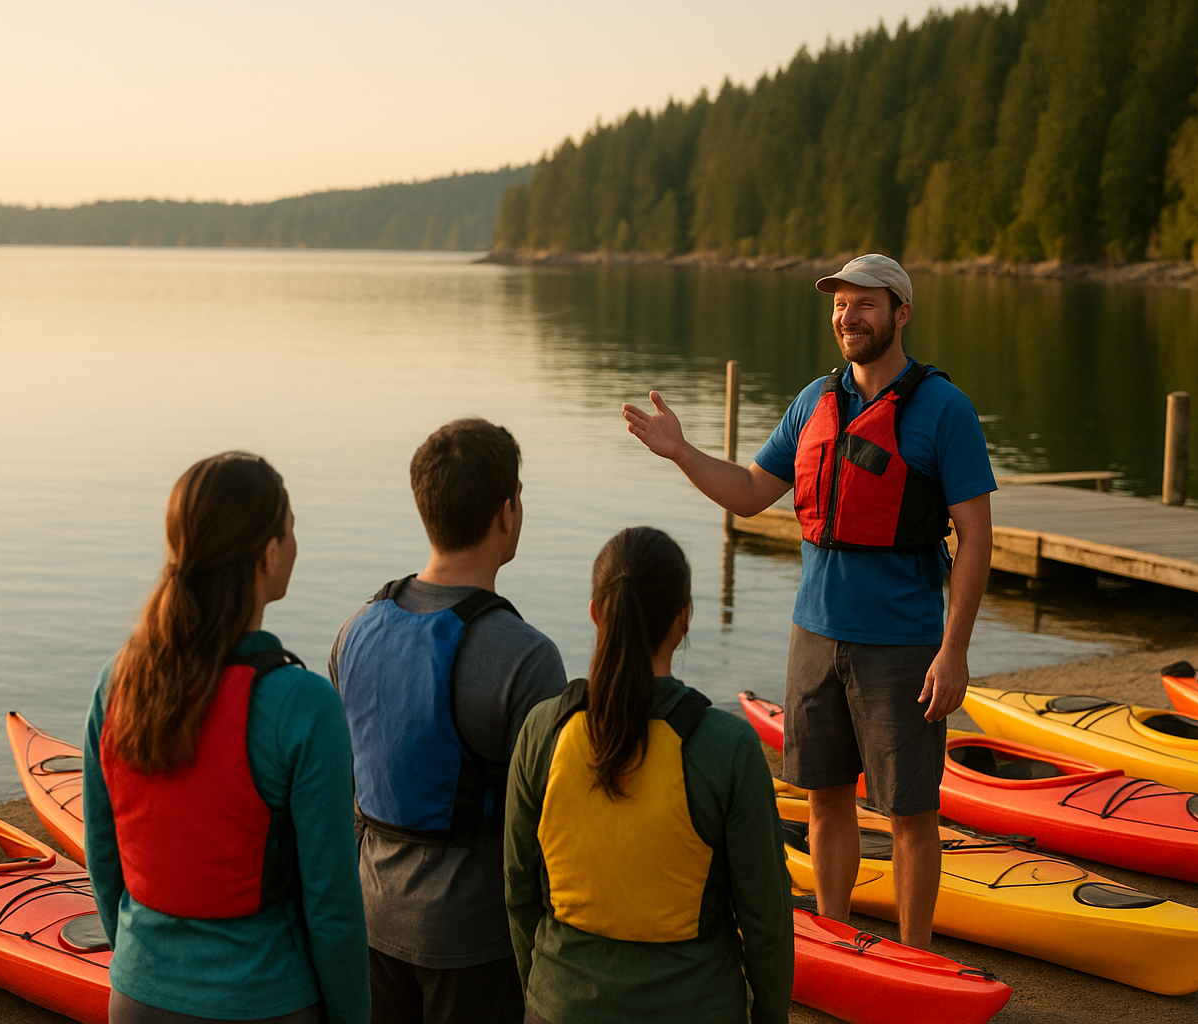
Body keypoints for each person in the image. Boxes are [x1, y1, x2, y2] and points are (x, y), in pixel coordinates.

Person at [622, 253, 995, 949]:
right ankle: (837, 939)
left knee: (910, 811)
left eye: (864, 305)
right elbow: (749, 493)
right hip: (814, 635)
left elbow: (976, 537)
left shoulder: (945, 410)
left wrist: (955, 650)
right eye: (839, 305)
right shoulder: (811, 402)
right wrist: (681, 451)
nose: (847, 317)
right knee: (826, 801)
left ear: (901, 313)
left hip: (903, 642)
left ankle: (914, 960)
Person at [81, 452, 369, 1024]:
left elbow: (104, 852)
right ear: (268, 553)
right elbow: (332, 903)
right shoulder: (302, 704)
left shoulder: (120, 681)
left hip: (137, 997)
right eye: (291, 531)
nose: (294, 544)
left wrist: (141, 960)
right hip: (266, 1002)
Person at [504, 527, 794, 1024]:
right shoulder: (727, 748)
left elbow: (518, 889)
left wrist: (544, 985)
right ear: (684, 619)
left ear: (596, 613)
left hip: (560, 1003)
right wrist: (770, 1016)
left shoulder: (544, 731)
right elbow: (765, 917)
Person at [330, 418, 566, 1024]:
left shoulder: (355, 630)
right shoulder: (526, 656)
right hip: (474, 941)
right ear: (507, 512)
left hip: (370, 918)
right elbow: (552, 823)